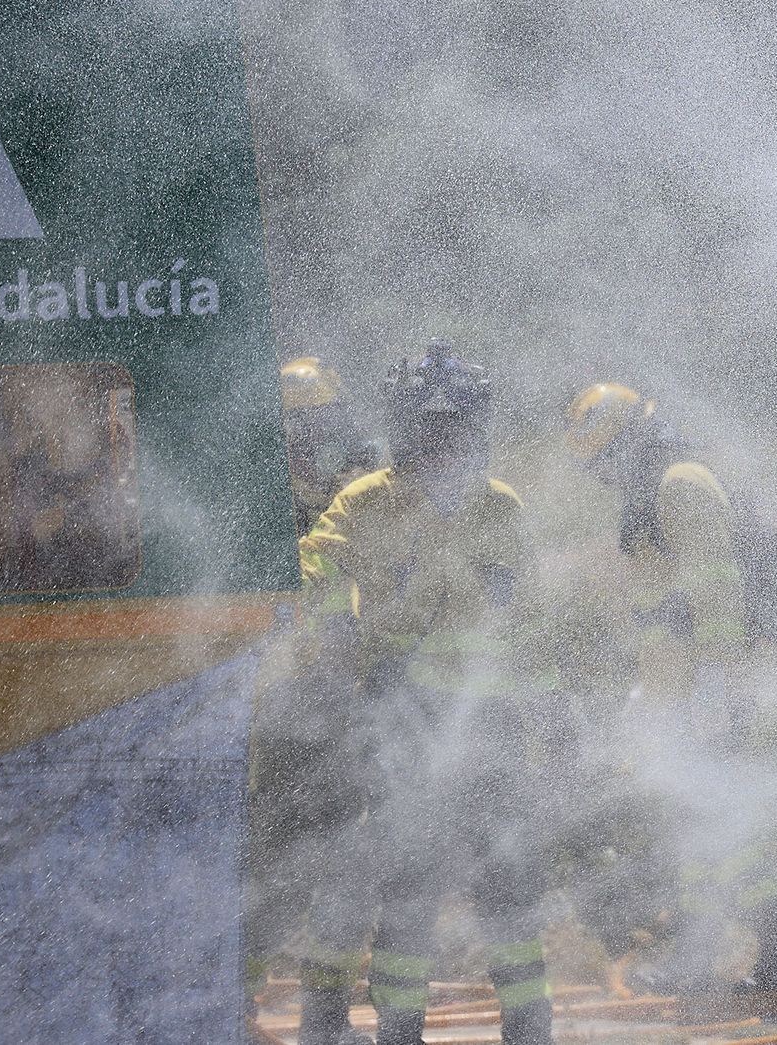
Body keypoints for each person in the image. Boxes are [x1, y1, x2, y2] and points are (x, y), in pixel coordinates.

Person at [299, 340, 563, 1045]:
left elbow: (534, 625)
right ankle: (400, 1031)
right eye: (427, 427)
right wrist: (336, 638)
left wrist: (553, 718)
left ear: (478, 427)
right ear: (403, 427)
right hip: (403, 719)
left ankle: (531, 1030)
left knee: (508, 884)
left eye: (456, 427)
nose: (441, 443)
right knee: (411, 884)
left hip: (491, 724)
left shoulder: (502, 507)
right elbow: (316, 559)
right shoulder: (367, 501)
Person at [561, 383, 777, 995]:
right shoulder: (655, 494)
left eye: (608, 461)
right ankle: (773, 953)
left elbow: (715, 596)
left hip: (710, 689)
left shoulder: (679, 485)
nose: (604, 476)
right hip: (684, 691)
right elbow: (665, 615)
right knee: (706, 825)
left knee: (710, 825)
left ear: (631, 443)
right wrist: (650, 696)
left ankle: (720, 960)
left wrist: (714, 688)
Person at [244, 356, 384, 1045]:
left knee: (349, 871)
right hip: (286, 715)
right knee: (276, 871)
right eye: (306, 430)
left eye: (328, 426)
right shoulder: (266, 517)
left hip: (341, 706)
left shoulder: (349, 501)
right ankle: (228, 1003)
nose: (322, 444)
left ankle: (325, 1020)